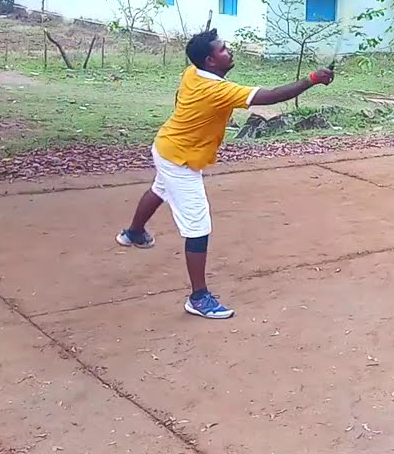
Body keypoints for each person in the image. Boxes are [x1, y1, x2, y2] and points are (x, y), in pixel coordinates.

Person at [115, 29, 335, 319]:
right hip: (179, 159)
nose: (228, 51)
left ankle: (133, 233)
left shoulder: (192, 73)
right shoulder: (215, 89)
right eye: (222, 49)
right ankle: (199, 297)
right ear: (209, 60)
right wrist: (312, 80)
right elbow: (268, 97)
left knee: (160, 189)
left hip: (167, 146)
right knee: (198, 227)